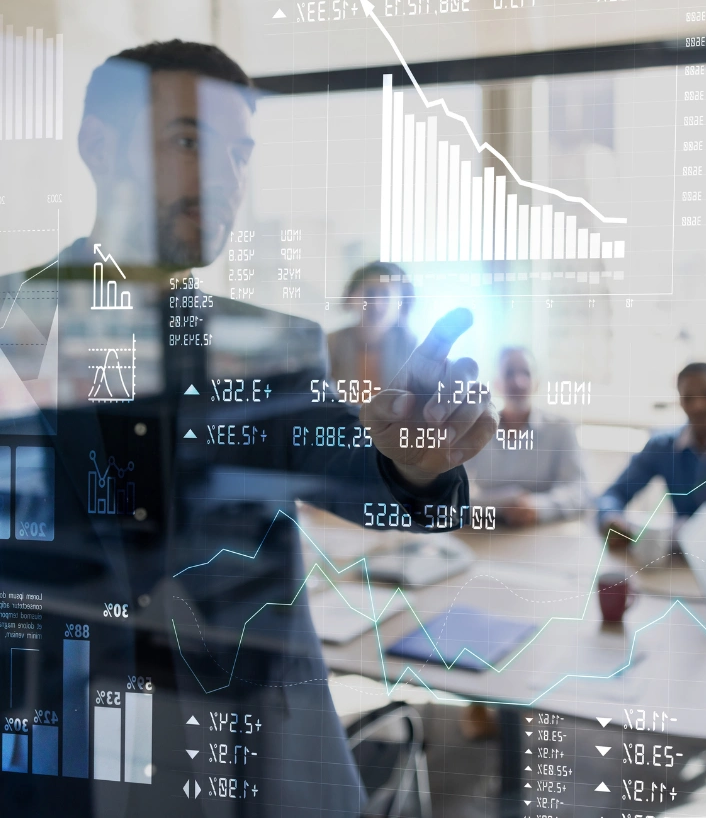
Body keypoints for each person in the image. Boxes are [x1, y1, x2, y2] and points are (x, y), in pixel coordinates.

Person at [0, 40, 497, 817]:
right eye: (189, 142)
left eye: (238, 154)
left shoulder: (272, 348)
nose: (222, 180)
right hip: (54, 759)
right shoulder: (7, 327)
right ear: (99, 146)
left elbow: (366, 476)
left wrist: (416, 466)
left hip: (244, 760)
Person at [596, 362, 706, 554]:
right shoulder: (663, 446)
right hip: (677, 562)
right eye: (689, 398)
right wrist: (612, 519)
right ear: (680, 402)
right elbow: (613, 494)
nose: (698, 405)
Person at [464, 346, 590, 526]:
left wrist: (539, 507)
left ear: (536, 382)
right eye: (509, 373)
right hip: (486, 530)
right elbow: (453, 494)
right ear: (497, 384)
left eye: (526, 373)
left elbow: (580, 491)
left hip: (543, 531)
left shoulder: (560, 429)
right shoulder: (476, 429)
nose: (518, 382)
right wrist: (502, 503)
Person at [327, 260, 418, 390]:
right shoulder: (330, 344)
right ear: (351, 297)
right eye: (369, 294)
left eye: (386, 295)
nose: (376, 304)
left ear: (401, 303)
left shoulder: (411, 348)